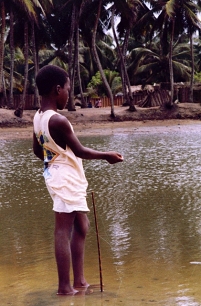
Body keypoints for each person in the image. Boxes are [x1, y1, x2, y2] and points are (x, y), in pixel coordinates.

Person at [32, 65, 123, 295]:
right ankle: (65, 287)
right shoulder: (58, 120)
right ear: (57, 89)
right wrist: (107, 156)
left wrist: (54, 158)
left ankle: (80, 281)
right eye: (68, 89)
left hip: (57, 174)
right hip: (64, 177)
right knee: (63, 229)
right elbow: (81, 151)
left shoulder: (38, 117)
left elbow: (37, 150)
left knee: (81, 225)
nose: (69, 94)